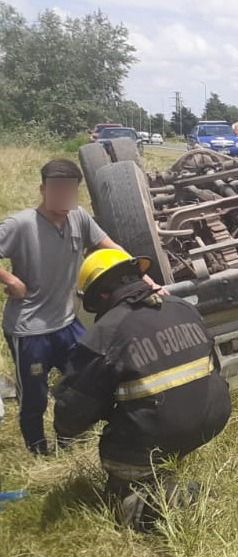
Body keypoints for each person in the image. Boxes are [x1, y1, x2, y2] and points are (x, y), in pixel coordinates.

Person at [53, 248, 231, 531]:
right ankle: (174, 463)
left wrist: (64, 432)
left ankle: (159, 505)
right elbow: (213, 365)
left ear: (100, 296)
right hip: (214, 416)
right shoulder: (181, 306)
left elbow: (74, 410)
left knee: (116, 465)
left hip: (164, 430)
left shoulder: (105, 333)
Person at [0, 159, 163, 455]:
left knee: (89, 381)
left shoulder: (79, 218)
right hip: (29, 330)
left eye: (70, 190)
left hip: (67, 322)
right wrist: (10, 279)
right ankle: (39, 454)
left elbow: (111, 247)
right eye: (57, 189)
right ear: (43, 189)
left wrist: (145, 280)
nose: (64, 196)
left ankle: (70, 440)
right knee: (34, 398)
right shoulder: (20, 224)